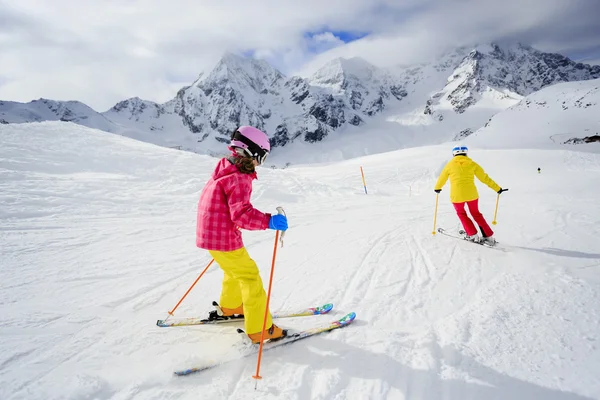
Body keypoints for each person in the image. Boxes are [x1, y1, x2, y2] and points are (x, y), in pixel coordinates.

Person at [196, 126, 289, 343]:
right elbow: (242, 215)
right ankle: (260, 329)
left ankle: (231, 307)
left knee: (234, 270)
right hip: (224, 238)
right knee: (250, 277)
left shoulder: (224, 167)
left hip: (210, 236)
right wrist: (269, 221)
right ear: (253, 153)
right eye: (262, 157)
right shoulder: (239, 177)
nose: (260, 163)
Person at [434, 145, 507, 245]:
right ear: (466, 153)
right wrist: (497, 188)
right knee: (476, 214)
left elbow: (442, 178)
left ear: (454, 154)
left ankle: (473, 235)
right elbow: (484, 178)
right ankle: (488, 237)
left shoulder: (449, 165)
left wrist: (437, 188)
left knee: (461, 213)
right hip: (472, 194)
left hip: (457, 195)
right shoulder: (472, 164)